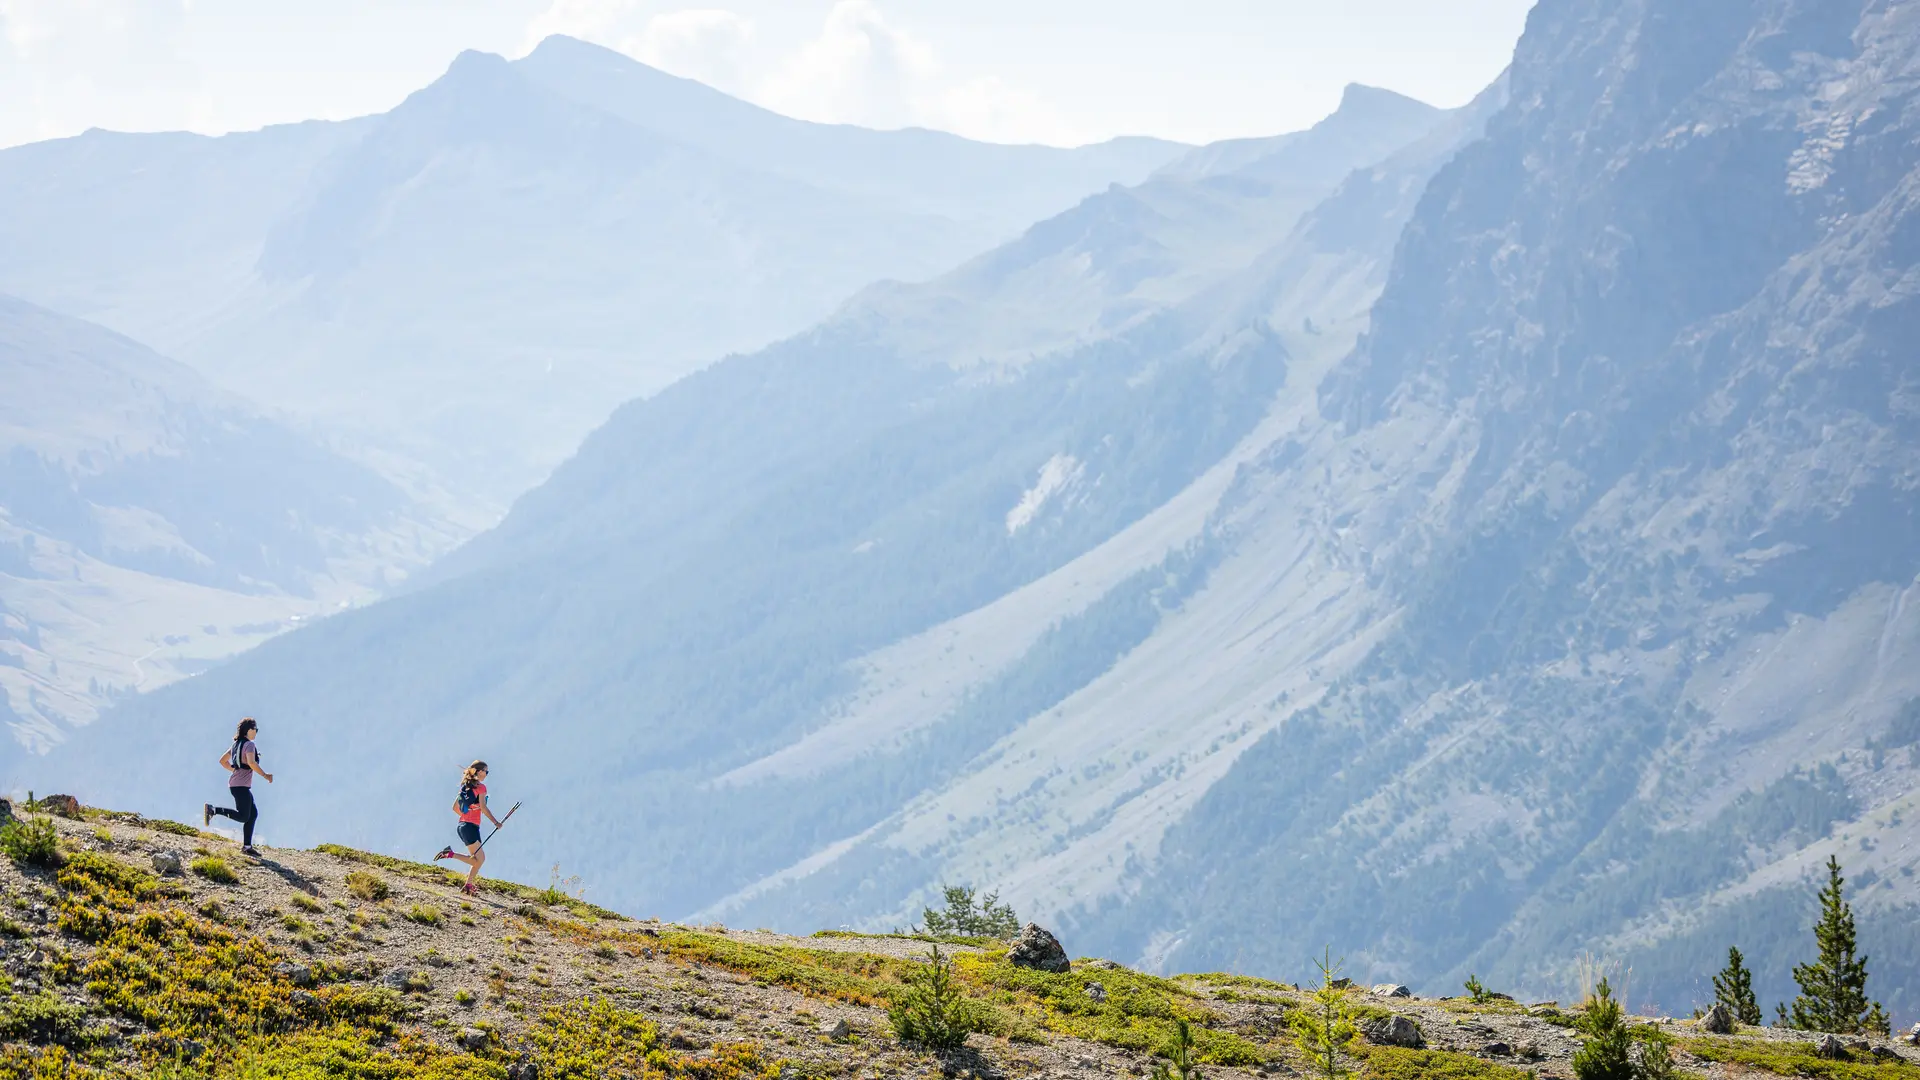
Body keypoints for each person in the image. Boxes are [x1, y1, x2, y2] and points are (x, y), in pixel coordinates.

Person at [204, 717, 272, 855]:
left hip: (236, 784)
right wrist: (265, 775)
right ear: (249, 730)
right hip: (241, 786)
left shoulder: (235, 745)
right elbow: (252, 763)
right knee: (243, 816)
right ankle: (213, 810)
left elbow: (222, 761)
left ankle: (247, 847)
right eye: (256, 729)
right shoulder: (249, 745)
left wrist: (235, 770)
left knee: (253, 814)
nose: (256, 732)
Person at [434, 761, 501, 894]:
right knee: (479, 860)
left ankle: (468, 886)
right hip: (471, 827)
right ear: (479, 771)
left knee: (476, 859)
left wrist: (467, 815)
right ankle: (450, 854)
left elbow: (455, 808)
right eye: (486, 772)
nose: (486, 774)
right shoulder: (481, 788)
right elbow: (483, 807)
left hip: (462, 826)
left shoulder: (465, 787)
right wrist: (495, 822)